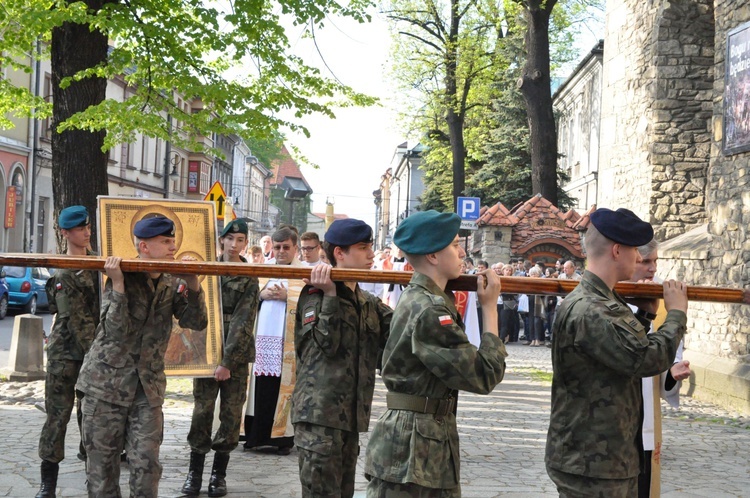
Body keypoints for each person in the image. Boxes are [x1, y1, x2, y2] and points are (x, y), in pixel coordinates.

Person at [545, 208, 688, 497]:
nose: (638, 258)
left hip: (605, 458)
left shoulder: (604, 301)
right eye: (635, 250)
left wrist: (645, 317)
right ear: (617, 250)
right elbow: (645, 359)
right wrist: (676, 315)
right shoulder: (592, 308)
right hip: (593, 463)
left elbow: (617, 354)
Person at [365, 210, 507, 497]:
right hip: (414, 445)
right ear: (432, 256)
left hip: (421, 439)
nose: (462, 252)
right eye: (455, 245)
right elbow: (483, 375)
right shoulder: (430, 310)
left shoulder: (421, 297)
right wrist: (490, 308)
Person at [77, 216, 208, 497]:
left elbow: (196, 323)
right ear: (144, 247)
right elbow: (115, 330)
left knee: (147, 468)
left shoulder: (172, 281)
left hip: (146, 390)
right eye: (166, 241)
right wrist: (118, 284)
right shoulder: (123, 275)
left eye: (173, 240)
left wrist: (193, 284)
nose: (173, 246)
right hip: (105, 387)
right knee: (102, 472)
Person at [292, 219, 393, 498]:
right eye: (363, 247)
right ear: (340, 253)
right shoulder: (315, 295)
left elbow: (403, 329)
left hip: (350, 420)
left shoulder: (367, 301)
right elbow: (324, 345)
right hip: (319, 419)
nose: (371, 254)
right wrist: (330, 295)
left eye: (371, 246)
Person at [182, 219, 259, 497]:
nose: (234, 245)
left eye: (240, 240)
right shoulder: (206, 269)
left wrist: (227, 361)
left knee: (230, 415)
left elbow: (243, 320)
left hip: (234, 356)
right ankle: (195, 472)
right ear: (222, 241)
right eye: (230, 239)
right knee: (201, 411)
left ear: (245, 244)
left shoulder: (249, 274)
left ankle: (218, 475)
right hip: (205, 351)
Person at [36, 206, 100, 498]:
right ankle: (48, 482)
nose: (86, 232)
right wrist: (98, 356)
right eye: (79, 229)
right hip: (66, 352)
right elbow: (76, 319)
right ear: (65, 233)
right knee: (57, 416)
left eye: (87, 227)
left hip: (94, 350)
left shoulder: (100, 262)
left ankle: (93, 474)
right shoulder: (62, 268)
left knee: (91, 415)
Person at [627, 239, 691, 498]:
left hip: (644, 414)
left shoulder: (664, 303)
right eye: (645, 262)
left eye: (655, 261)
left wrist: (672, 371)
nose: (653, 268)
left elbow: (669, 355)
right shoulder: (603, 301)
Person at [243, 226, 302, 454]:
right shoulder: (262, 270)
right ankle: (255, 436)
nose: (281, 251)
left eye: (286, 247)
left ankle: (281, 440)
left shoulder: (303, 272)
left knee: (281, 389)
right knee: (259, 388)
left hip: (287, 343)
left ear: (295, 248)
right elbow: (249, 296)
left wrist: (290, 296)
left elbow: (310, 302)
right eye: (277, 247)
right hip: (261, 341)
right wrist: (261, 294)